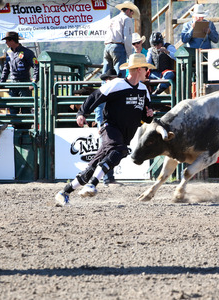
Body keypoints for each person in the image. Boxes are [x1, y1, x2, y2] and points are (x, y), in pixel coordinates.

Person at [55, 53, 155, 206]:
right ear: (139, 69)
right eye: (146, 69)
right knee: (119, 150)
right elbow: (95, 96)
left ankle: (64, 192)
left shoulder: (143, 90)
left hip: (125, 133)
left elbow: (145, 115)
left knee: (92, 167)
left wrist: (149, 115)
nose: (147, 72)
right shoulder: (117, 84)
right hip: (110, 128)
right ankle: (92, 184)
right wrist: (82, 112)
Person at [87, 68, 119, 186]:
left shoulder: (109, 90)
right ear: (107, 80)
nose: (115, 81)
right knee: (108, 152)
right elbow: (99, 111)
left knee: (107, 151)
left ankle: (106, 178)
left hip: (110, 125)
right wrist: (100, 125)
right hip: (106, 125)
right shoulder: (105, 91)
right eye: (112, 79)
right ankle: (107, 179)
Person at [0, 31, 39, 115]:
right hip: (13, 83)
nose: (6, 42)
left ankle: (26, 127)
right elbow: (6, 68)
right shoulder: (9, 53)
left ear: (12, 41)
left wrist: (34, 81)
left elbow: (36, 66)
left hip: (25, 82)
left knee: (26, 107)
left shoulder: (27, 52)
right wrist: (1, 82)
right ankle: (15, 126)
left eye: (7, 40)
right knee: (13, 107)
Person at [102, 1, 140, 78]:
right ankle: (120, 89)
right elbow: (127, 38)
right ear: (128, 10)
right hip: (118, 47)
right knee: (119, 73)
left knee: (106, 73)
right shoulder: (127, 19)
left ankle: (103, 87)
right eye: (132, 13)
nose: (132, 16)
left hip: (107, 46)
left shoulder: (113, 19)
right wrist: (130, 55)